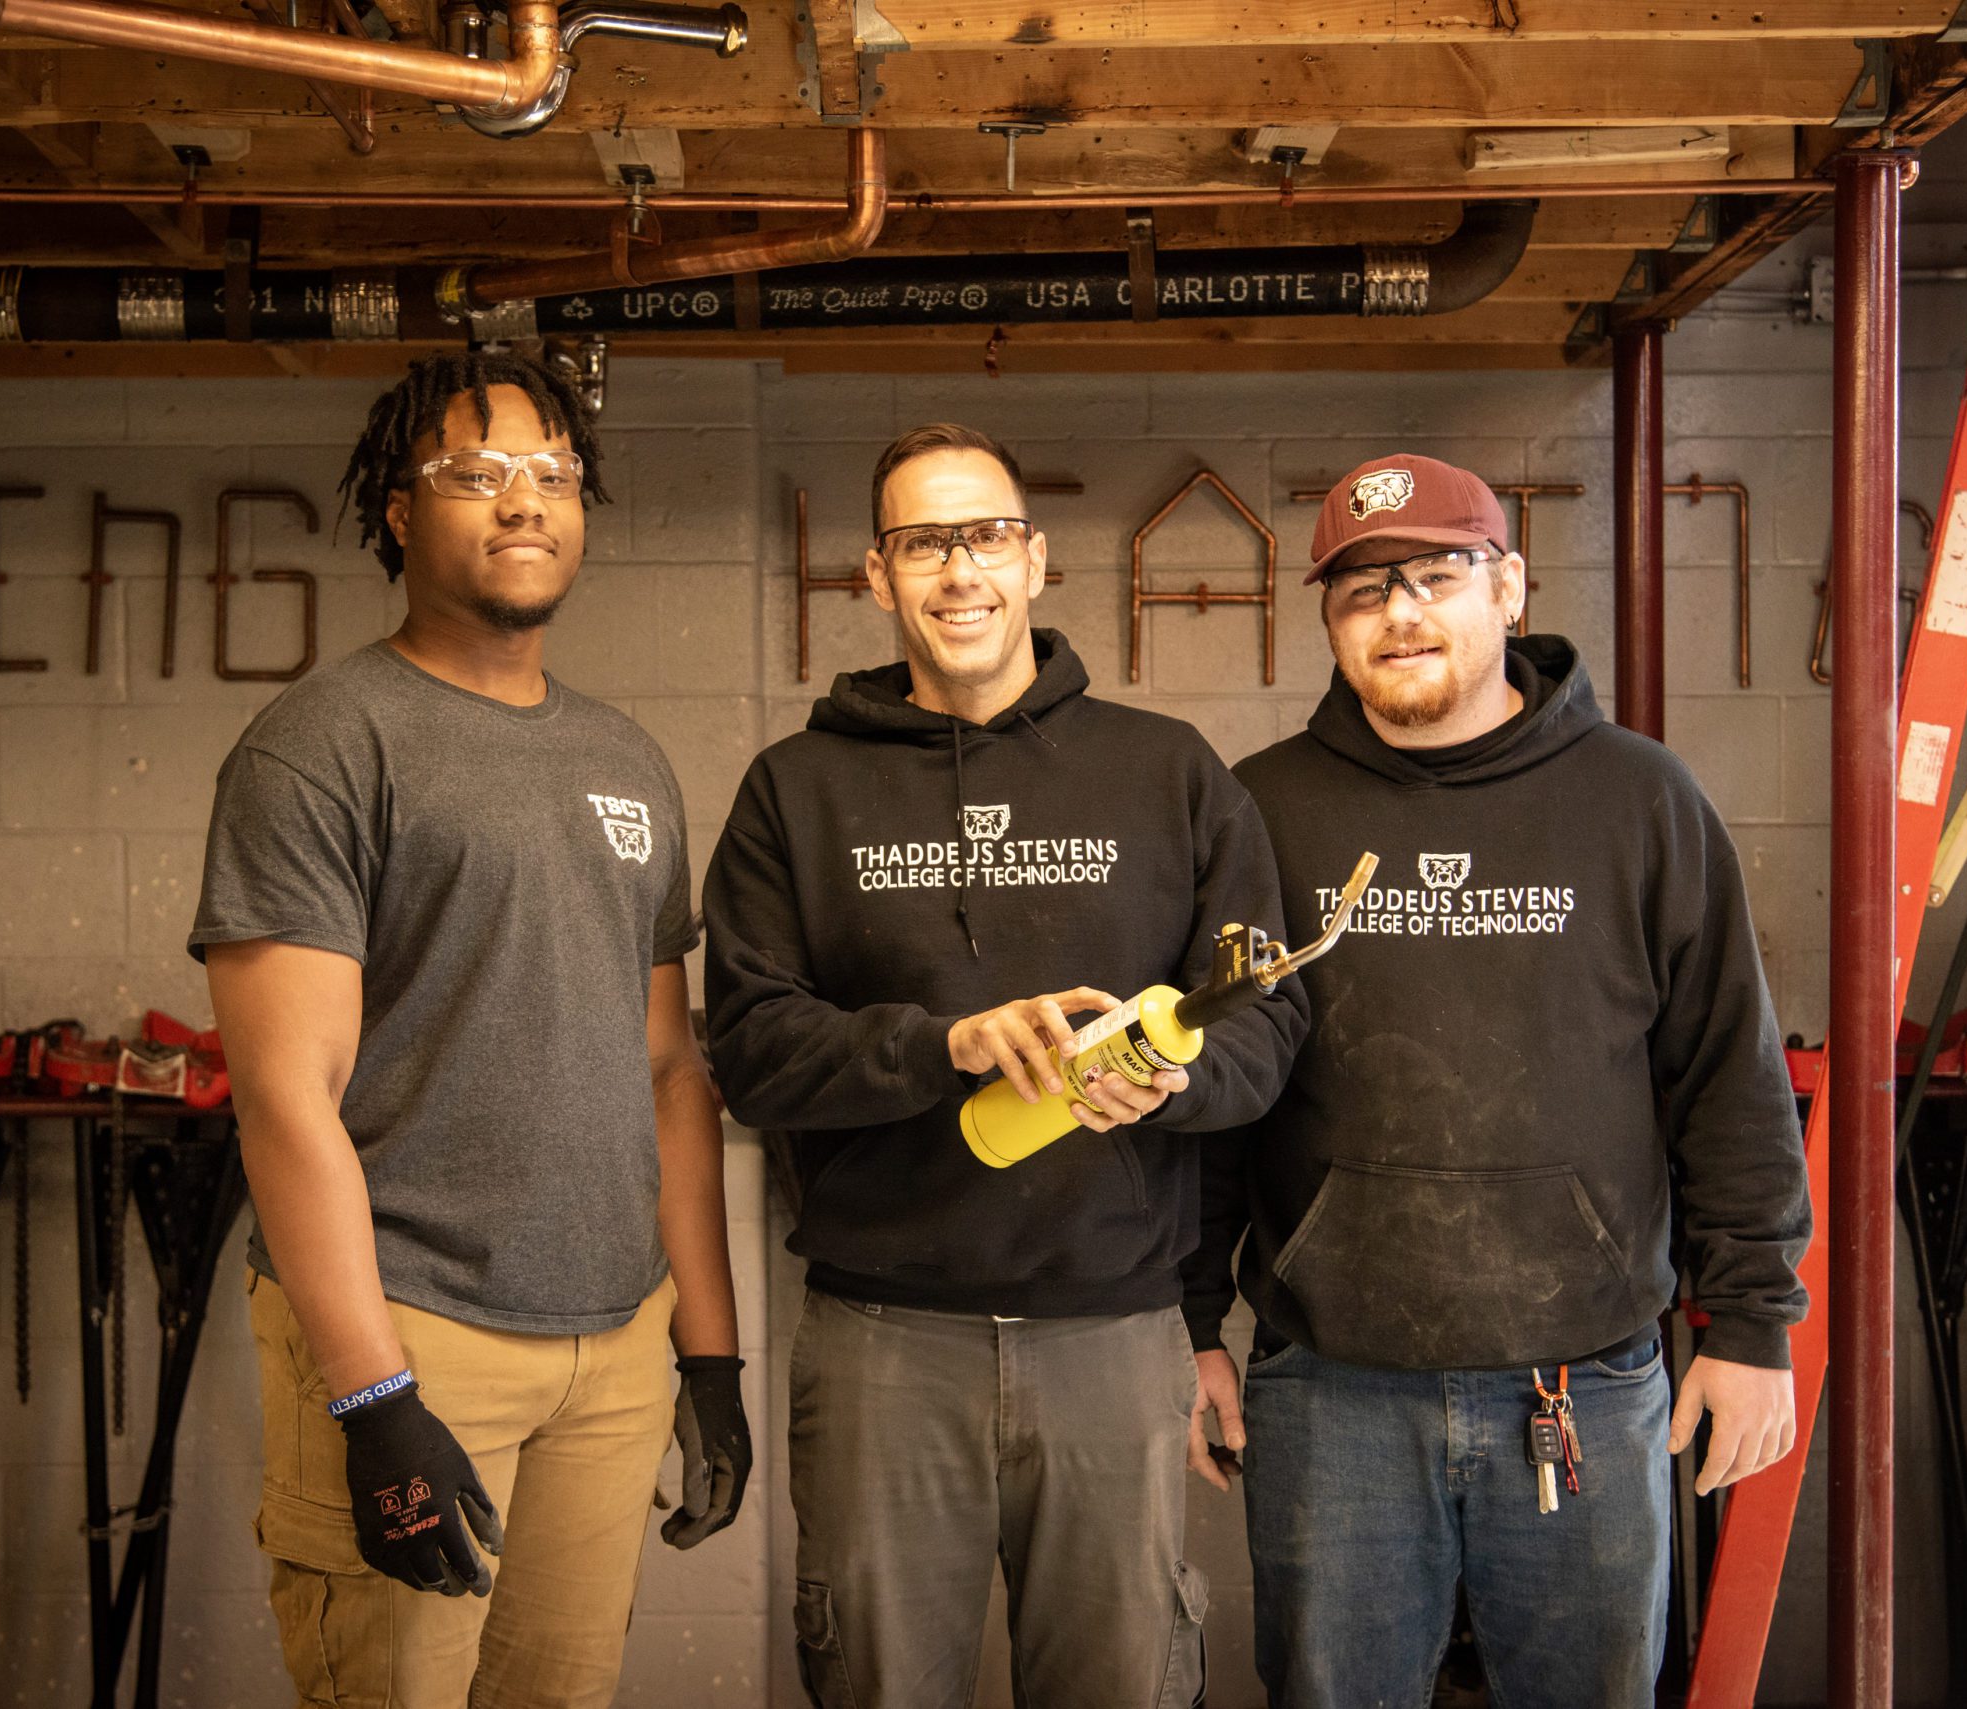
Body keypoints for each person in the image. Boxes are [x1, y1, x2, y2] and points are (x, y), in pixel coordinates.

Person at [1185, 453, 1812, 1708]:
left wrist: (1748, 1323)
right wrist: (1190, 1318)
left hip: (1582, 1381)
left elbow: (1726, 1074)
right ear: (1328, 621)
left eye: (1434, 574)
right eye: (1362, 591)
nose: (1400, 611)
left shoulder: (1640, 798)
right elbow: (1212, 1096)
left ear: (1509, 588)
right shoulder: (1260, 810)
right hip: (1331, 1384)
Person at [702, 423, 1303, 1708]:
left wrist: (1181, 1081)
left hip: (1115, 1337)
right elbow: (749, 1050)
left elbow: (1264, 1018)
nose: (958, 568)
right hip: (881, 1339)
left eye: (984, 534)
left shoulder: (1168, 772)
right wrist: (941, 1044)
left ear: (1033, 559)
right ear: (876, 575)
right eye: (923, 541)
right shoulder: (794, 790)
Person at [191, 349, 750, 1709]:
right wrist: (374, 1402)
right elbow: (285, 1098)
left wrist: (711, 1353)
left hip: (612, 1347)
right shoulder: (323, 745)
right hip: (414, 1330)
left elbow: (669, 1070)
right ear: (397, 509)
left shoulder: (627, 761)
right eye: (476, 472)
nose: (524, 502)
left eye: (554, 474)